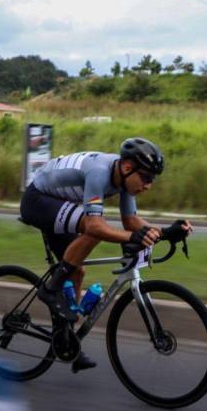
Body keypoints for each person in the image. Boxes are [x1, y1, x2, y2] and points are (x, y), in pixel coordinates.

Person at [20, 137, 192, 372]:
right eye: (146, 178)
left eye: (152, 180)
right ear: (128, 167)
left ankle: (67, 341)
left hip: (60, 202)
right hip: (38, 200)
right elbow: (95, 226)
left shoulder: (123, 178)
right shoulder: (100, 173)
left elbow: (131, 221)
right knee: (95, 229)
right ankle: (50, 289)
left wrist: (165, 232)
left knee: (77, 271)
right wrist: (132, 237)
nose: (149, 185)